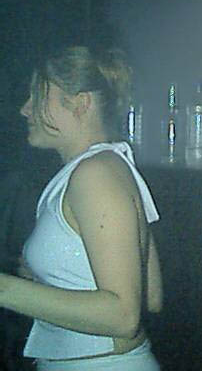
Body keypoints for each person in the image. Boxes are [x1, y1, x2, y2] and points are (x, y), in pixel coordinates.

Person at [0, 45, 163, 370]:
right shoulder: (107, 165)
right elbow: (151, 295)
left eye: (38, 97)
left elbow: (124, 316)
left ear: (80, 103)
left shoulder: (95, 174)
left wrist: (4, 289)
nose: (25, 109)